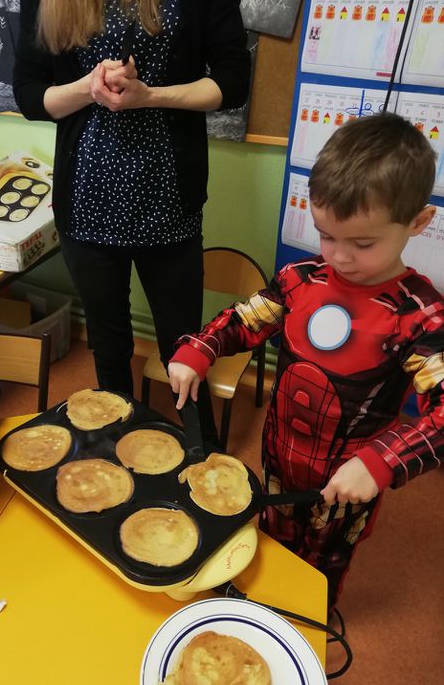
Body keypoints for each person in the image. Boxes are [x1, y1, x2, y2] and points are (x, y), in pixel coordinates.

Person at [168, 112, 444, 607]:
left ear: (419, 222)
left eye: (362, 243)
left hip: (347, 482)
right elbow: (246, 319)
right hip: (278, 459)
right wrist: (201, 347)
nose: (338, 256)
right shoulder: (301, 279)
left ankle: (307, 618)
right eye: (326, 235)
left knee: (321, 570)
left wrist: (382, 461)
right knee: (269, 543)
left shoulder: (419, 315)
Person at [13, 0, 251, 449]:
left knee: (185, 347)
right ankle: (117, 449)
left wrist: (152, 96)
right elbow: (28, 92)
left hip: (168, 201)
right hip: (86, 204)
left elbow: (234, 80)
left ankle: (203, 455)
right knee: (109, 346)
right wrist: (87, 88)